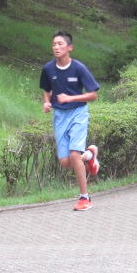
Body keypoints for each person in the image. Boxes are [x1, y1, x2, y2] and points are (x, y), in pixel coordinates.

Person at [40, 31, 100, 211]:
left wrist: (70, 98)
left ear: (69, 48)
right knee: (65, 163)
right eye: (54, 44)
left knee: (74, 155)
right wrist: (46, 102)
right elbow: (46, 90)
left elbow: (93, 95)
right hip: (59, 116)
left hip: (78, 113)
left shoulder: (79, 68)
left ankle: (84, 198)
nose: (56, 47)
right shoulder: (48, 69)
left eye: (60, 44)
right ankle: (89, 156)